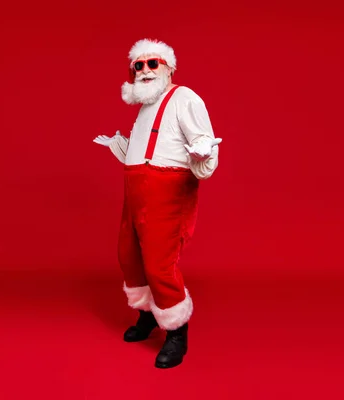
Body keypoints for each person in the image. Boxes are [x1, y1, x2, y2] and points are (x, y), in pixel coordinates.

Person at [93, 38, 222, 369]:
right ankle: (148, 314)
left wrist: (203, 152)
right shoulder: (145, 106)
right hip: (136, 193)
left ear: (169, 68)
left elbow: (203, 144)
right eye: (139, 65)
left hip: (167, 195)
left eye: (153, 64)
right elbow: (146, 152)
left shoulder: (185, 99)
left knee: (159, 264)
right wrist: (121, 145)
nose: (145, 71)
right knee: (130, 257)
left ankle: (177, 331)